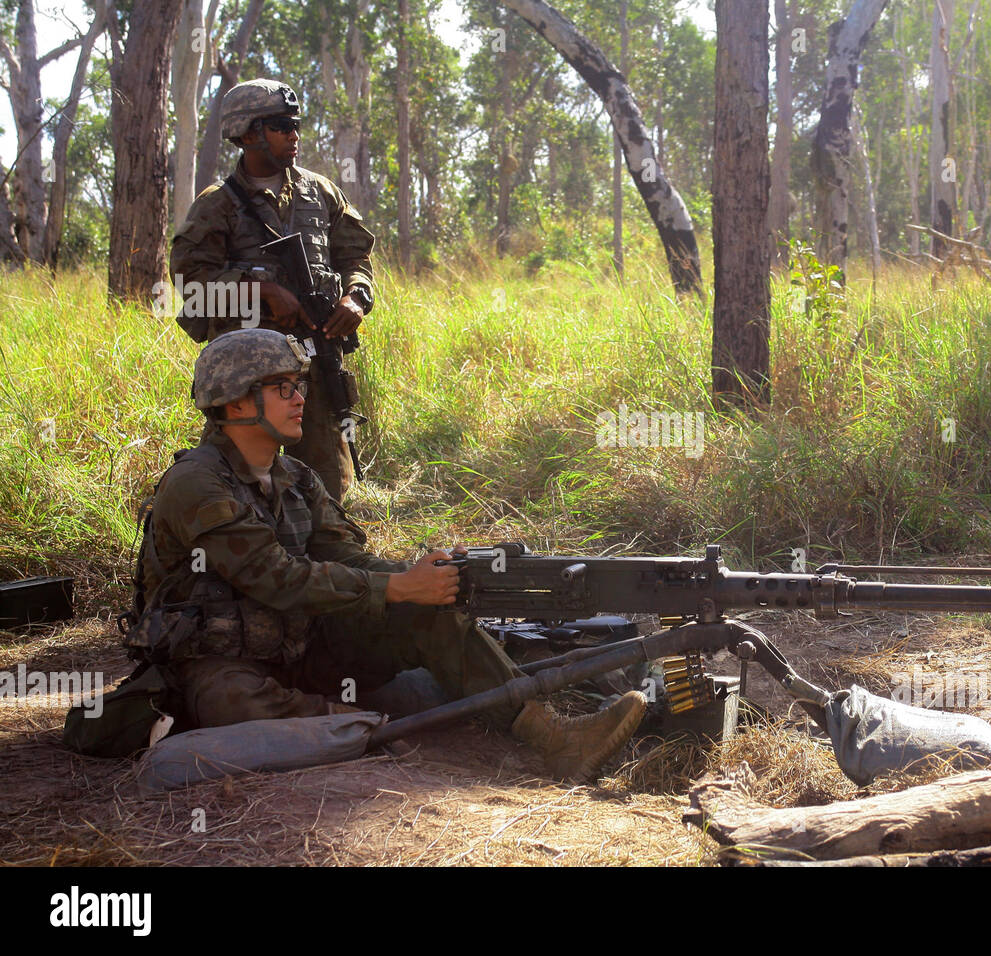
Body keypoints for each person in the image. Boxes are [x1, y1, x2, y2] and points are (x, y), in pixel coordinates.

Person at [125, 329, 647, 782]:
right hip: (216, 663)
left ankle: (553, 738)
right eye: (282, 387)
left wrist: (422, 577)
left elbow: (350, 560)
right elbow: (275, 578)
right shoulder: (197, 482)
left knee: (425, 608)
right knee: (230, 705)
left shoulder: (298, 478)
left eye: (300, 385)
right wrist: (395, 586)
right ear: (237, 403)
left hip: (302, 649)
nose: (300, 397)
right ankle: (350, 718)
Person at [171, 78, 371, 501]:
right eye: (281, 125)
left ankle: (320, 556)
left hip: (318, 360)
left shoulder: (321, 193)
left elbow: (356, 258)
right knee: (229, 479)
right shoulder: (217, 205)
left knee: (325, 484)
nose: (294, 135)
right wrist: (260, 291)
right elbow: (190, 288)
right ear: (247, 134)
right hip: (248, 375)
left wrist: (355, 298)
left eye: (295, 124)